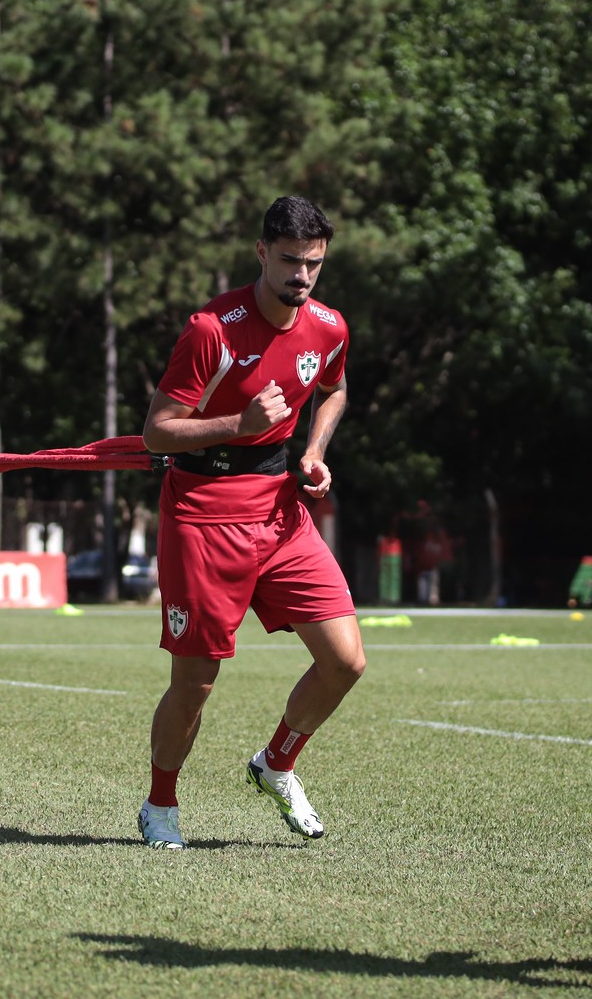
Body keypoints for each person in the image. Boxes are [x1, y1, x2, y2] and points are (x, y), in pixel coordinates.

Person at [136, 196, 362, 851]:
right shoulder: (212, 329)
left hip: (280, 510)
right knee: (196, 681)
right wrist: (240, 425)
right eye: (290, 261)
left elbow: (335, 388)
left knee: (345, 661)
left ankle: (277, 764)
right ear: (262, 252)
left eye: (314, 264)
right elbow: (157, 434)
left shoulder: (328, 326)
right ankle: (160, 805)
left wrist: (315, 452)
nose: (302, 275)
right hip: (202, 514)